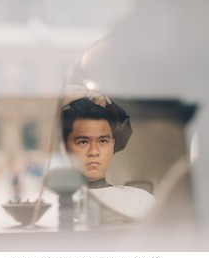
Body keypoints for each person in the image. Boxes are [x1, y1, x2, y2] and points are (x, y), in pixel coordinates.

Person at [61, 85, 155, 221]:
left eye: (103, 141)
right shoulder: (50, 204)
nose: (93, 152)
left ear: (113, 145)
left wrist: (110, 106)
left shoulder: (140, 202)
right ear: (65, 146)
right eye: (83, 142)